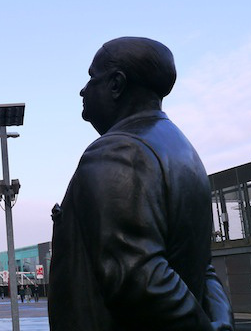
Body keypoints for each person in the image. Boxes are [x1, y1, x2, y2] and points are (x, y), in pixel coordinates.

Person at [48, 37, 234, 330]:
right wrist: (221, 319)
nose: (83, 90)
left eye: (92, 77)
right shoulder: (184, 151)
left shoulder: (116, 151)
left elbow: (137, 279)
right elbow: (203, 268)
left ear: (116, 84)